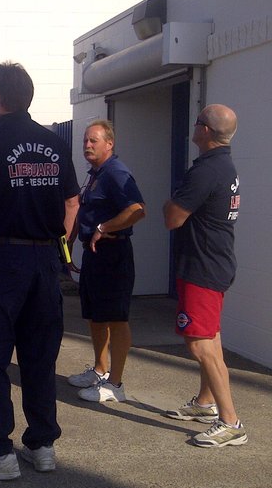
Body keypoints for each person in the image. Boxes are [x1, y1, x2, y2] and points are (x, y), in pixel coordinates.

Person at [0, 62, 79, 480]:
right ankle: (42, 445)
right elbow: (72, 203)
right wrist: (58, 244)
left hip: (2, 260)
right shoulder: (54, 144)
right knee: (40, 356)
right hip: (45, 261)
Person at [162, 104, 246, 447]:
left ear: (205, 130)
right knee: (211, 338)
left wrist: (169, 203)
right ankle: (205, 402)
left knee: (199, 344)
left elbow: (173, 218)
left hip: (202, 267)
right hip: (214, 263)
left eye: (197, 122)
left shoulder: (207, 170)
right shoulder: (224, 165)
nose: (193, 127)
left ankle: (231, 423)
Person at [68, 120, 145, 402]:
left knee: (116, 317)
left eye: (94, 141)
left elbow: (137, 210)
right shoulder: (95, 174)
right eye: (85, 140)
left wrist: (104, 228)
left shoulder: (116, 172)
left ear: (109, 144)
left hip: (114, 254)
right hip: (94, 254)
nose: (87, 145)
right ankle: (100, 370)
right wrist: (70, 243)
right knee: (96, 315)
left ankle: (115, 384)